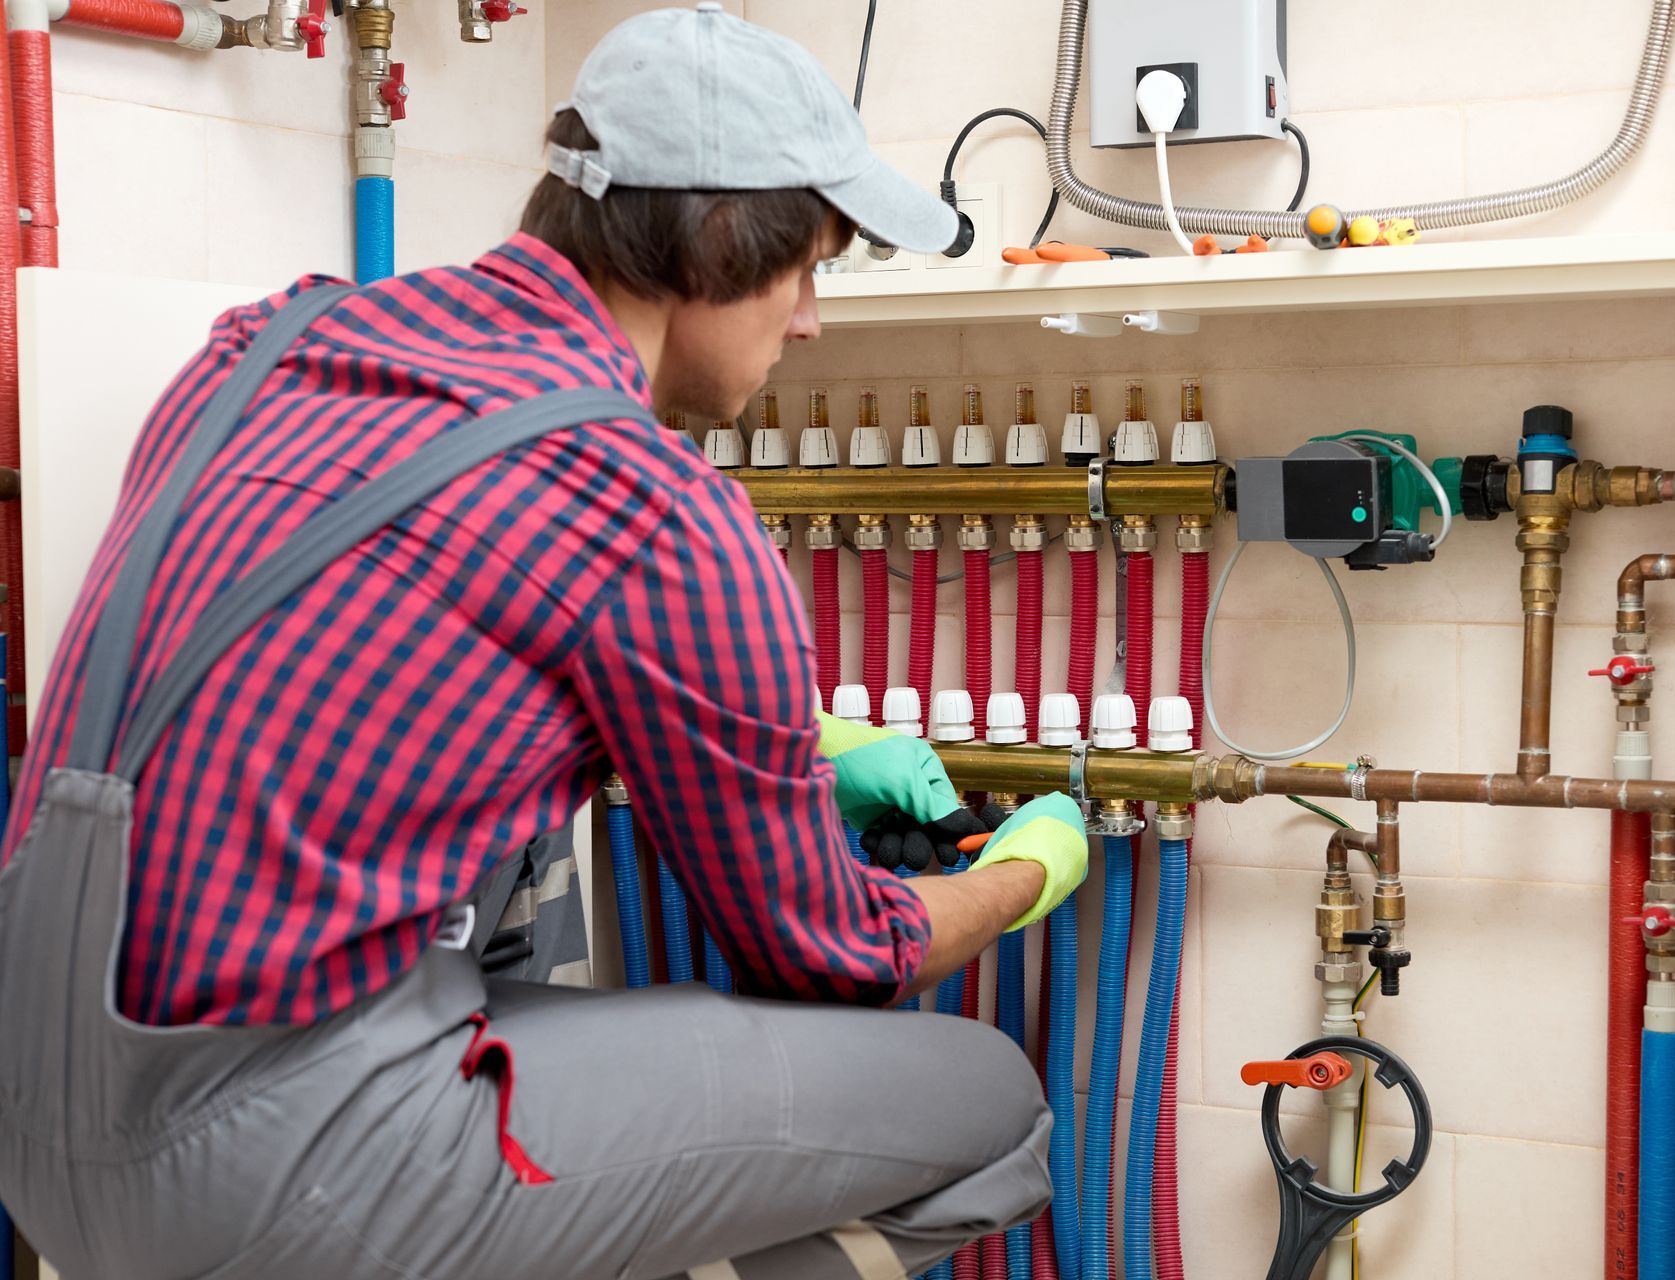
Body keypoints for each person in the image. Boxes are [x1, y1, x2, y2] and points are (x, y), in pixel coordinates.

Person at [0, 7, 1090, 1278]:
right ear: (726, 240)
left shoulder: (268, 346)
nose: (809, 323)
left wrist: (810, 746)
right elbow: (835, 956)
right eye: (814, 267)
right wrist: (1026, 867)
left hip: (33, 1113)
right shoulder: (650, 504)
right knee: (990, 1098)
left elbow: (392, 677)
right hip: (277, 1180)